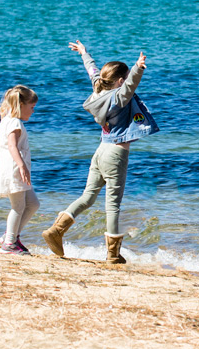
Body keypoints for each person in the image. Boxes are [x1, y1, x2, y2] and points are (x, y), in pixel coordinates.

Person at [42, 40, 159, 263]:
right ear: (120, 80)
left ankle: (56, 231)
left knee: (87, 196)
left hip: (100, 151)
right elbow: (130, 85)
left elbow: (93, 73)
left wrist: (85, 54)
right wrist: (138, 67)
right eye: (124, 81)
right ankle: (113, 255)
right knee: (113, 205)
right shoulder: (118, 98)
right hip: (116, 154)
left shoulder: (98, 91)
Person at [0, 85, 40, 255]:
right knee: (18, 206)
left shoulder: (8, 119)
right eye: (32, 107)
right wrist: (22, 166)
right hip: (14, 170)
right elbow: (12, 146)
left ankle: (11, 236)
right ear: (21, 105)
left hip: (15, 169)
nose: (33, 111)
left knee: (33, 204)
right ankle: (9, 244)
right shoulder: (13, 122)